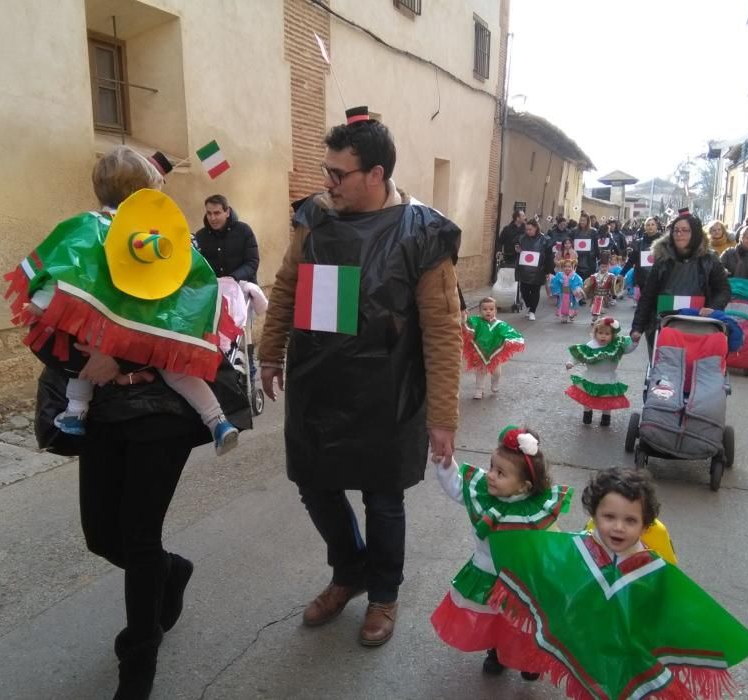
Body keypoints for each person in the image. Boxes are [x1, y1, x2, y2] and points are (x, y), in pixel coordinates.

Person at [6, 146, 239, 699]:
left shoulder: (175, 248)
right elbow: (44, 319)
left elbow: (197, 331)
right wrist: (84, 360)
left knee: (136, 537)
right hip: (104, 412)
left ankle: (138, 664)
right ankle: (169, 570)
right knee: (100, 535)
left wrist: (126, 358)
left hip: (162, 413)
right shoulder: (83, 236)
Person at [258, 107, 462, 646]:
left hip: (387, 391)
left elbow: (443, 328)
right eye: (326, 171)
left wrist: (443, 416)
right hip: (317, 384)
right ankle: (348, 572)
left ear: (376, 174)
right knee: (313, 483)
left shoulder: (423, 232)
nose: (327, 183)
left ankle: (383, 596)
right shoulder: (313, 220)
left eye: (338, 174)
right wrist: (269, 352)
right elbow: (285, 288)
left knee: (383, 498)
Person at [486, 468, 748, 700]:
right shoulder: (583, 548)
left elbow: (675, 609)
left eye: (630, 520)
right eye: (609, 517)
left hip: (631, 652)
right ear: (594, 516)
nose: (618, 527)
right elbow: (549, 567)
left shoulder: (651, 568)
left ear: (645, 525)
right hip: (591, 642)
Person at [430, 426, 572, 679]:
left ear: (523, 486)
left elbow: (553, 542)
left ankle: (529, 660)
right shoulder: (484, 492)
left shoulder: (536, 509)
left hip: (523, 578)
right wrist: (446, 463)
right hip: (486, 571)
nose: (491, 476)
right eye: (492, 467)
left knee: (522, 620)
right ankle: (496, 652)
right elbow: (456, 485)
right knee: (493, 618)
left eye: (500, 473)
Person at [631, 210, 731, 356]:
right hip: (663, 326)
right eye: (676, 230)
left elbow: (723, 290)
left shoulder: (710, 260)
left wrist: (714, 308)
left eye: (685, 230)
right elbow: (648, 295)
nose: (679, 234)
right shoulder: (662, 259)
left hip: (699, 326)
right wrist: (637, 327)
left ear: (695, 233)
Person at [565, 316, 638, 427]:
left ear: (613, 335)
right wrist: (571, 363)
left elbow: (628, 348)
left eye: (607, 334)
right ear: (595, 333)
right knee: (588, 397)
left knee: (607, 398)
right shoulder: (590, 346)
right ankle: (587, 413)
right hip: (591, 376)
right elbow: (579, 356)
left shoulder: (616, 345)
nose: (603, 336)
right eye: (600, 333)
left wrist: (635, 342)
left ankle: (606, 417)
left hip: (608, 377)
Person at [462, 297, 525, 399]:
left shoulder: (500, 324)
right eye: (485, 309)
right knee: (480, 371)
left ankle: (495, 382)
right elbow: (467, 326)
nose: (488, 311)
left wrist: (509, 340)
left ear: (495, 310)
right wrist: (464, 318)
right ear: (479, 310)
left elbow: (509, 332)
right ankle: (479, 389)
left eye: (491, 309)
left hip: (495, 354)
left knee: (496, 372)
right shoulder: (476, 321)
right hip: (480, 353)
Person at [193, 194, 260, 282]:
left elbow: (252, 262)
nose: (212, 218)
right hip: (216, 290)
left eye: (217, 213)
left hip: (243, 288)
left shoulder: (244, 230)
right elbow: (199, 268)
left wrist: (234, 278)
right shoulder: (200, 236)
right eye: (209, 213)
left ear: (227, 212)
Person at [514, 218, 551, 320]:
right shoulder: (522, 238)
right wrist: (517, 250)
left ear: (536, 228)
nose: (528, 231)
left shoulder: (544, 240)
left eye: (530, 229)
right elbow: (516, 249)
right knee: (524, 290)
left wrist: (548, 270)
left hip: (538, 270)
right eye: (526, 229)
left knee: (535, 291)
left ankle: (532, 311)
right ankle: (530, 306)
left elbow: (548, 256)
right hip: (524, 269)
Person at [620, 216, 661, 305]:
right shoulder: (639, 243)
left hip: (659, 278)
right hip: (643, 279)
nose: (650, 227)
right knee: (645, 304)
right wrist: (622, 274)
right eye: (648, 225)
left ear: (656, 226)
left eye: (652, 224)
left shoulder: (663, 242)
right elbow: (631, 261)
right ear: (645, 227)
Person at [585, 253, 617, 323]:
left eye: (606, 267)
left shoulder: (611, 276)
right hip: (596, 295)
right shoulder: (594, 276)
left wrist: (614, 293)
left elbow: (614, 286)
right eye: (602, 266)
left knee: (603, 310)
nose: (604, 268)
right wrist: (587, 291)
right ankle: (595, 318)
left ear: (608, 267)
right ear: (599, 267)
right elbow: (590, 286)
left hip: (605, 295)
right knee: (595, 308)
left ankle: (601, 321)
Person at [550, 258, 583, 322]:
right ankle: (564, 316)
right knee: (563, 304)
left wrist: (577, 289)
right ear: (562, 267)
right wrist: (557, 290)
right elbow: (555, 283)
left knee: (571, 304)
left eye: (569, 267)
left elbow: (580, 283)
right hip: (562, 293)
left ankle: (571, 314)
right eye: (565, 267)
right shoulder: (559, 275)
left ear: (572, 267)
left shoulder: (575, 276)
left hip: (571, 293)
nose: (567, 268)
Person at [572, 213, 599, 279]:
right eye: (581, 220)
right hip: (577, 259)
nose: (582, 222)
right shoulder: (574, 231)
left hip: (589, 260)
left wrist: (597, 255)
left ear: (587, 221)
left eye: (584, 220)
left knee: (588, 282)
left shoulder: (593, 231)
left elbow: (596, 246)